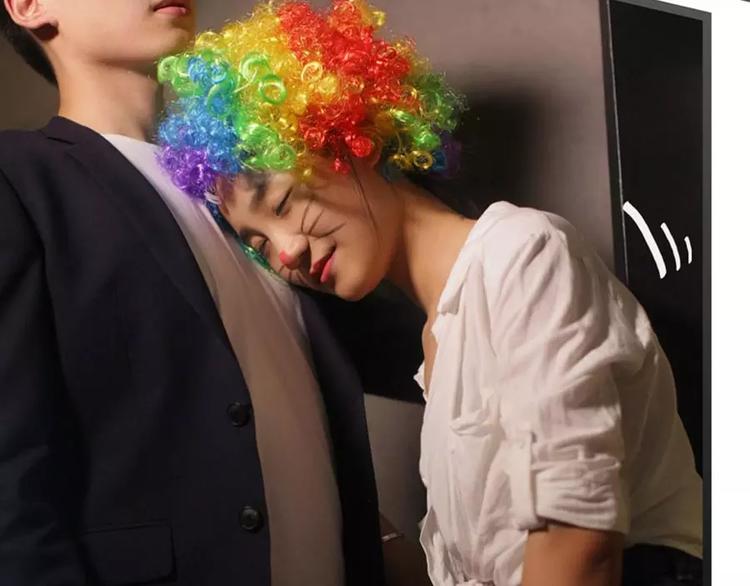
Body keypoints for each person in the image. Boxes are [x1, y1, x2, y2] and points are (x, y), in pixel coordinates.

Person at [158, 1, 704, 585]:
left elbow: (580, 548)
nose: (286, 252)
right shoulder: (437, 341)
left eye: (284, 203)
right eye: (258, 244)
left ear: (352, 138)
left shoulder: (521, 253)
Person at [0, 1, 412, 584]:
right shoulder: (20, 180)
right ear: (28, 6)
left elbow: (413, 349)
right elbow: (12, 475)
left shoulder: (250, 179)